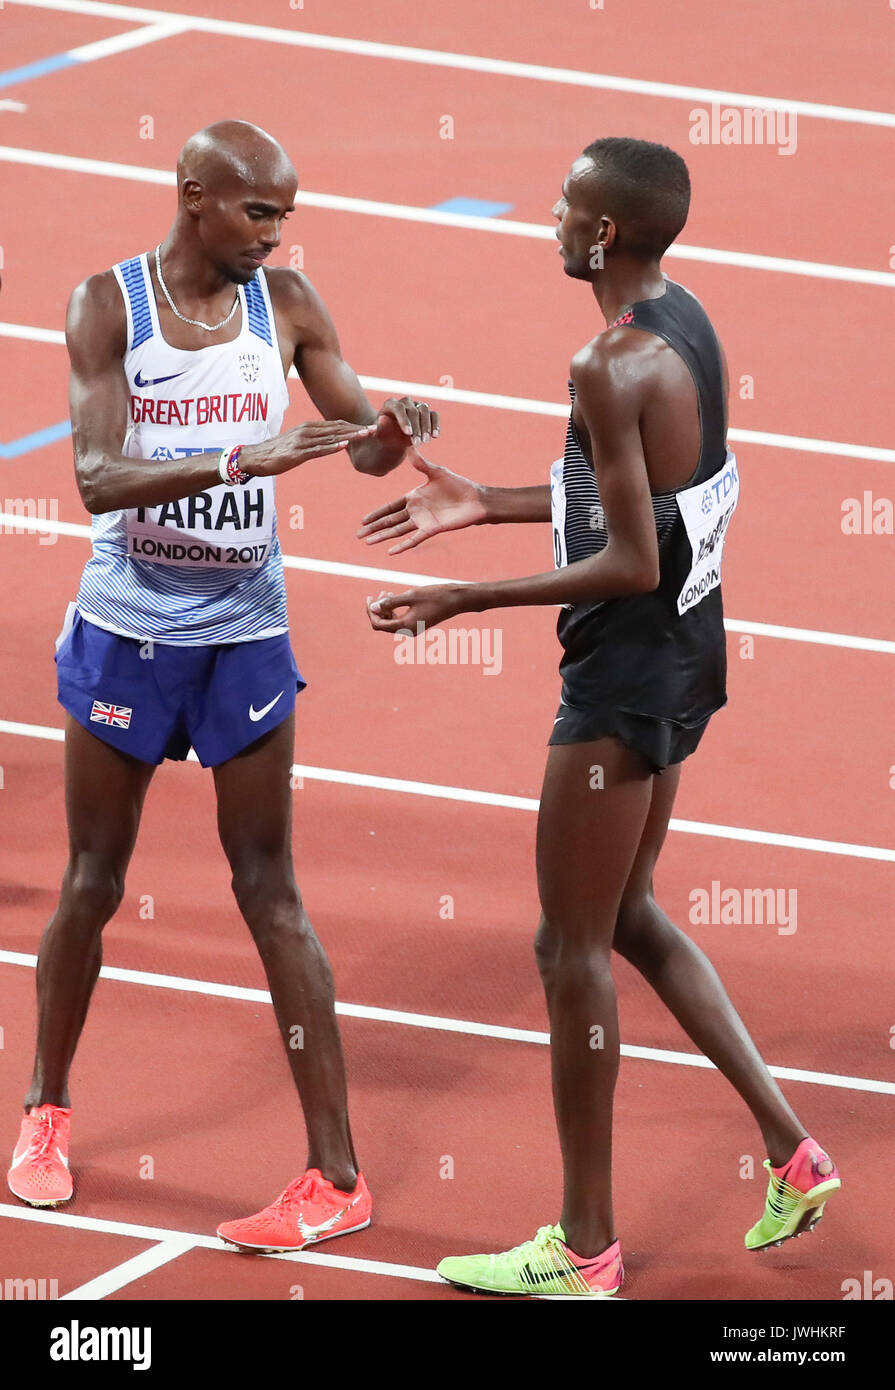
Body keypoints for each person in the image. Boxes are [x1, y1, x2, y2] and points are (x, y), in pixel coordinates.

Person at [362, 137, 839, 1297]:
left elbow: (626, 558)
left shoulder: (602, 365)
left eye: (567, 204)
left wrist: (462, 596)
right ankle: (793, 1147)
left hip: (623, 675)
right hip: (685, 652)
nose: (551, 220)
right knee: (623, 912)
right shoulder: (683, 324)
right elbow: (641, 508)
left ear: (606, 234)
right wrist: (482, 504)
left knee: (562, 942)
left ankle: (582, 1247)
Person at [7, 120, 439, 1255]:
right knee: (93, 881)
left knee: (271, 892)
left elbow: (356, 443)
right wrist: (245, 460)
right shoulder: (108, 306)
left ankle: (334, 1174)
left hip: (244, 633)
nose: (275, 233)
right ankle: (43, 1112)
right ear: (194, 196)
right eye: (258, 212)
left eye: (284, 214)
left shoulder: (286, 304)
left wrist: (393, 431)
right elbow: (98, 477)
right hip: (127, 632)